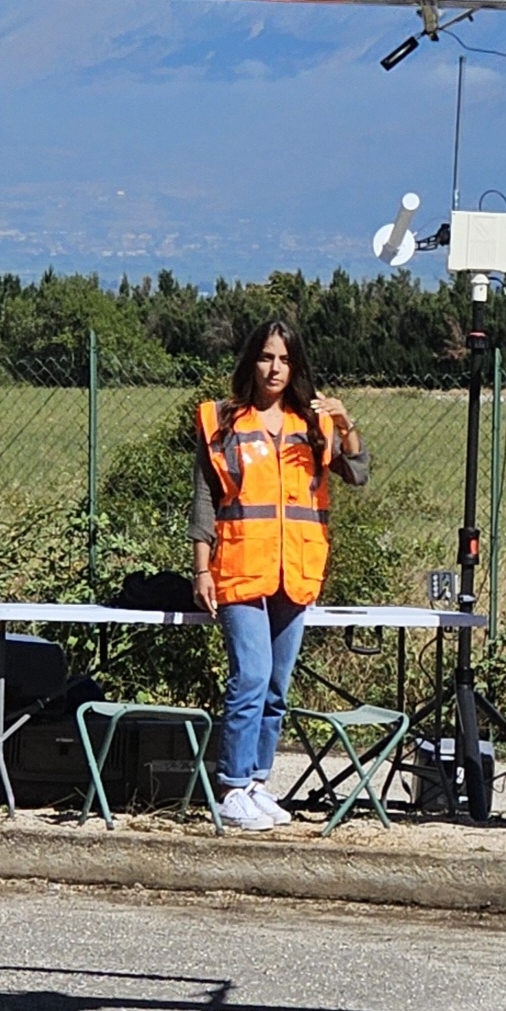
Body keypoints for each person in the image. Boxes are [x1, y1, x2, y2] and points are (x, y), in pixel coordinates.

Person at [190, 320, 367, 832]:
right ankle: (231, 785)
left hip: (297, 571)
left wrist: (346, 420)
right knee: (249, 676)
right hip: (241, 569)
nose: (275, 368)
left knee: (275, 685)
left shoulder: (313, 425)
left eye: (285, 360)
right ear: (252, 362)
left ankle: (258, 782)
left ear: (296, 367)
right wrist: (201, 568)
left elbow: (358, 473)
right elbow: (205, 500)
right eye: (267, 358)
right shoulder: (223, 422)